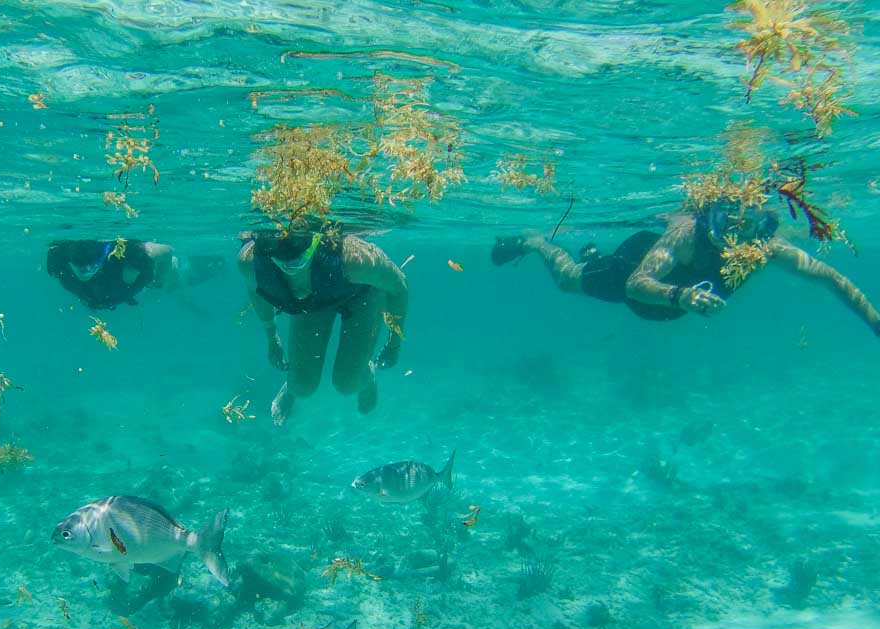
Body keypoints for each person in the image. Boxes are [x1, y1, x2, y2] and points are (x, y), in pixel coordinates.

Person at [491, 200, 880, 334]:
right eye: (724, 224)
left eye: (748, 229)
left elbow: (831, 277)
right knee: (567, 280)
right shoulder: (686, 233)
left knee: (583, 270)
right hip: (632, 268)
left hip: (669, 307)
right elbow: (635, 284)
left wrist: (875, 322)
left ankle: (591, 254)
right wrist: (681, 296)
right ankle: (535, 241)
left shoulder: (766, 249)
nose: (733, 240)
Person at [238, 227, 408, 426]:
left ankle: (366, 375)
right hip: (313, 301)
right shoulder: (250, 262)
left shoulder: (355, 259)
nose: (294, 276)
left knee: (347, 383)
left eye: (297, 263)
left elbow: (399, 287)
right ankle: (293, 384)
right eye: (282, 264)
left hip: (362, 294)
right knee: (301, 386)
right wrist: (272, 338)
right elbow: (255, 289)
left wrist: (394, 344)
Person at [46, 239, 179, 310]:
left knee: (165, 272)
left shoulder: (129, 251)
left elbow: (167, 250)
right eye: (81, 268)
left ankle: (179, 274)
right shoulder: (59, 253)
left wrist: (158, 280)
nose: (85, 272)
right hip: (107, 288)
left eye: (91, 267)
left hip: (136, 270)